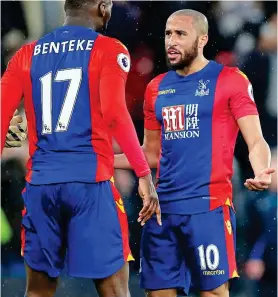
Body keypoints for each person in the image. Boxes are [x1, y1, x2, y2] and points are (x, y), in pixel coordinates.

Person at [1, 0, 161, 296]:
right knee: (115, 290)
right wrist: (143, 172)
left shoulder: (26, 54)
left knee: (37, 291)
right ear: (101, 7)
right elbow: (115, 113)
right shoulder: (109, 49)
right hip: (90, 185)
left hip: (41, 186)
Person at [114, 9, 275, 297]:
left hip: (208, 210)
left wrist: (261, 169)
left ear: (202, 40)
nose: (171, 41)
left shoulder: (230, 80)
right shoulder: (156, 88)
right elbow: (150, 155)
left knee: (213, 293)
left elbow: (255, 140)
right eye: (167, 34)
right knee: (157, 293)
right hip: (162, 212)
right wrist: (100, 158)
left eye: (180, 34)